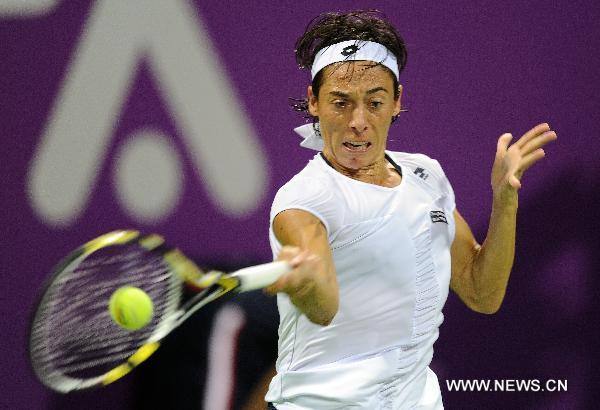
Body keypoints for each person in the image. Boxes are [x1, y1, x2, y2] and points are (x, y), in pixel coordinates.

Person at [264, 10, 557, 409]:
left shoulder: (426, 175)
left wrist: (504, 202)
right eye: (340, 103)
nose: (358, 122)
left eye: (375, 102)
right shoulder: (303, 200)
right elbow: (324, 306)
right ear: (314, 102)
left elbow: (481, 293)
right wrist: (309, 284)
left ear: (397, 101)